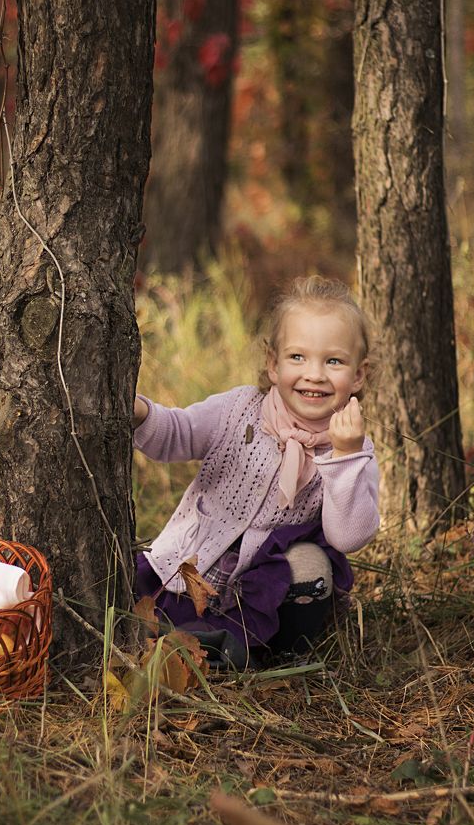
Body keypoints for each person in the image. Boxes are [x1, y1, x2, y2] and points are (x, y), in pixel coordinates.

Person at [133, 276, 380, 669]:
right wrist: (140, 413)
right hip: (198, 564)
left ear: (359, 375)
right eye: (297, 357)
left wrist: (345, 456)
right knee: (153, 608)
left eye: (333, 361)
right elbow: (177, 434)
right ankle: (187, 640)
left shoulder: (351, 447)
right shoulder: (239, 409)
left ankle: (271, 654)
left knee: (312, 566)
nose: (314, 374)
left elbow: (349, 536)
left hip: (267, 582)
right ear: (272, 364)